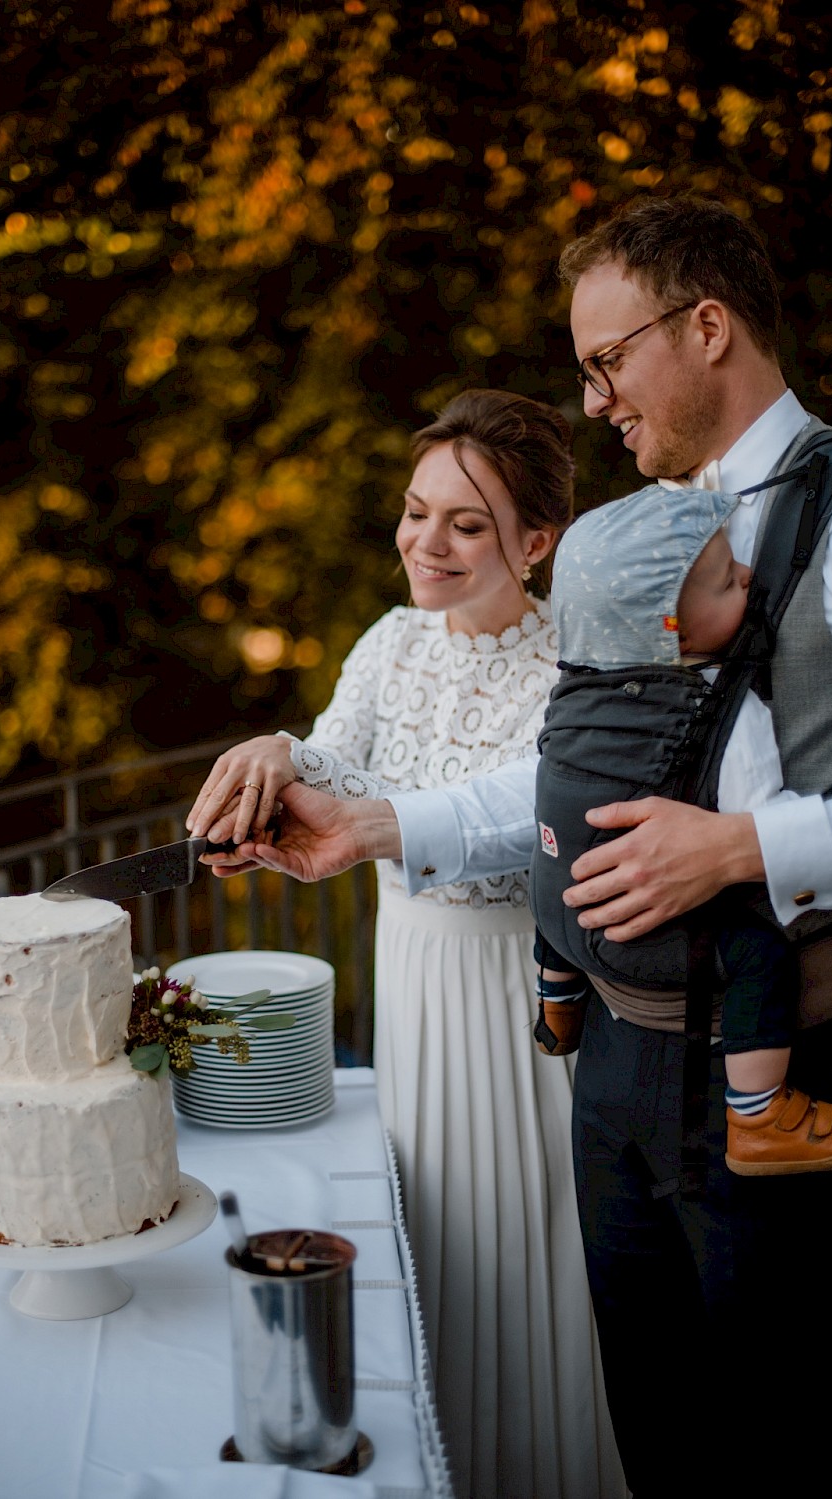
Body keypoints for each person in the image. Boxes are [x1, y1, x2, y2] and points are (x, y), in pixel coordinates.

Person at [232, 197, 832, 1498]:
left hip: (777, 1045)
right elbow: (561, 768)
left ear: (707, 325)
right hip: (614, 1061)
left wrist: (751, 842)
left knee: (775, 1424)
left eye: (607, 361)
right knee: (647, 1423)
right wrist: (374, 821)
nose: (590, 401)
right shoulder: (648, 533)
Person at [187, 389, 624, 1499]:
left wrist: (330, 793)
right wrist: (274, 774)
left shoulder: (581, 656)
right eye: (415, 510)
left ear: (536, 540)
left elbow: (530, 824)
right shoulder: (388, 641)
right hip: (414, 987)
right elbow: (337, 758)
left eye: (465, 523)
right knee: (432, 1235)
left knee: (529, 1244)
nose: (424, 541)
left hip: (528, 996)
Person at [530, 479, 832, 1175]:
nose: (747, 574)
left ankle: (556, 1009)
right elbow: (754, 825)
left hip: (561, 918)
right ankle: (759, 1113)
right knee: (758, 955)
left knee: (558, 868)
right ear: (668, 627)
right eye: (724, 580)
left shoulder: (573, 688)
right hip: (639, 940)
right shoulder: (721, 711)